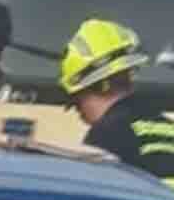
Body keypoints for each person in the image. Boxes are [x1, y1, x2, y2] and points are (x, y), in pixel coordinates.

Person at [62, 19, 174, 190]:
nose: (80, 115)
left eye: (78, 101)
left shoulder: (107, 135)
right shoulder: (167, 126)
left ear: (100, 85)